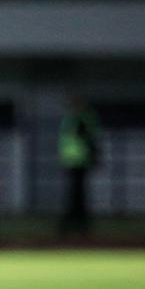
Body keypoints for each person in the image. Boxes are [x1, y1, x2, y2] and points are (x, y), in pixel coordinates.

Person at [59, 95, 101, 240]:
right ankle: (76, 225)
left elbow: (89, 140)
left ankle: (75, 225)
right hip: (74, 161)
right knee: (76, 194)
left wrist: (93, 156)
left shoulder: (78, 119)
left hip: (78, 161)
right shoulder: (75, 119)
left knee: (77, 195)